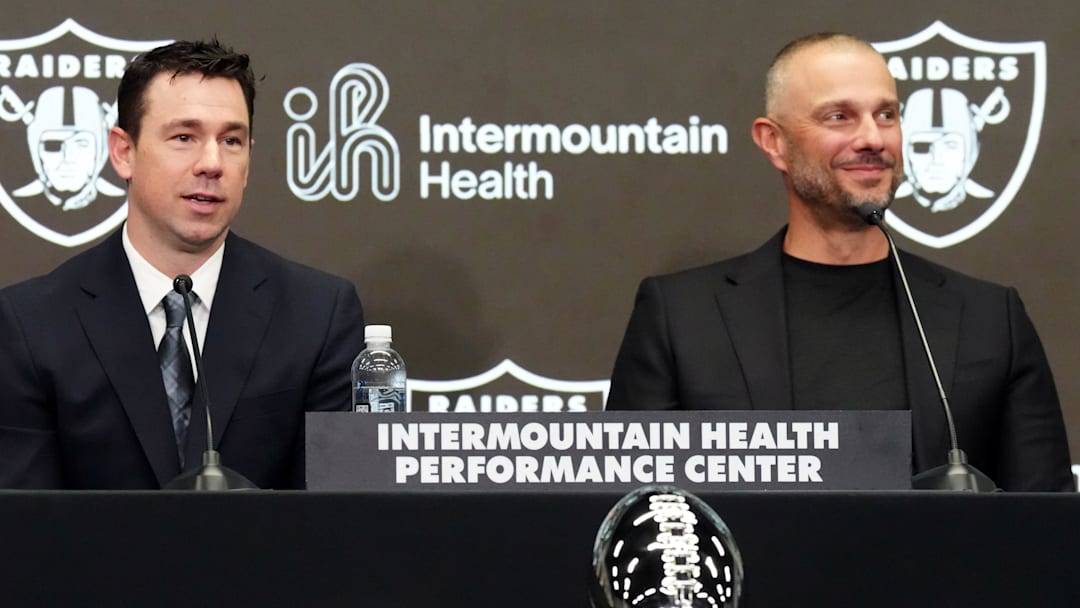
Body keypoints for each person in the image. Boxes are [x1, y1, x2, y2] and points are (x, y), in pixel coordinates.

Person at [606, 33, 1072, 492]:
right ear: (774, 142)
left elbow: (1052, 531)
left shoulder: (990, 319)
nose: (872, 138)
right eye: (839, 116)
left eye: (886, 114)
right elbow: (630, 518)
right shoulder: (682, 318)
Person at [0, 39, 366, 489]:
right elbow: (23, 528)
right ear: (123, 152)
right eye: (184, 137)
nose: (212, 163)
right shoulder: (30, 325)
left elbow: (341, 521)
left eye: (231, 140)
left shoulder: (319, 315)